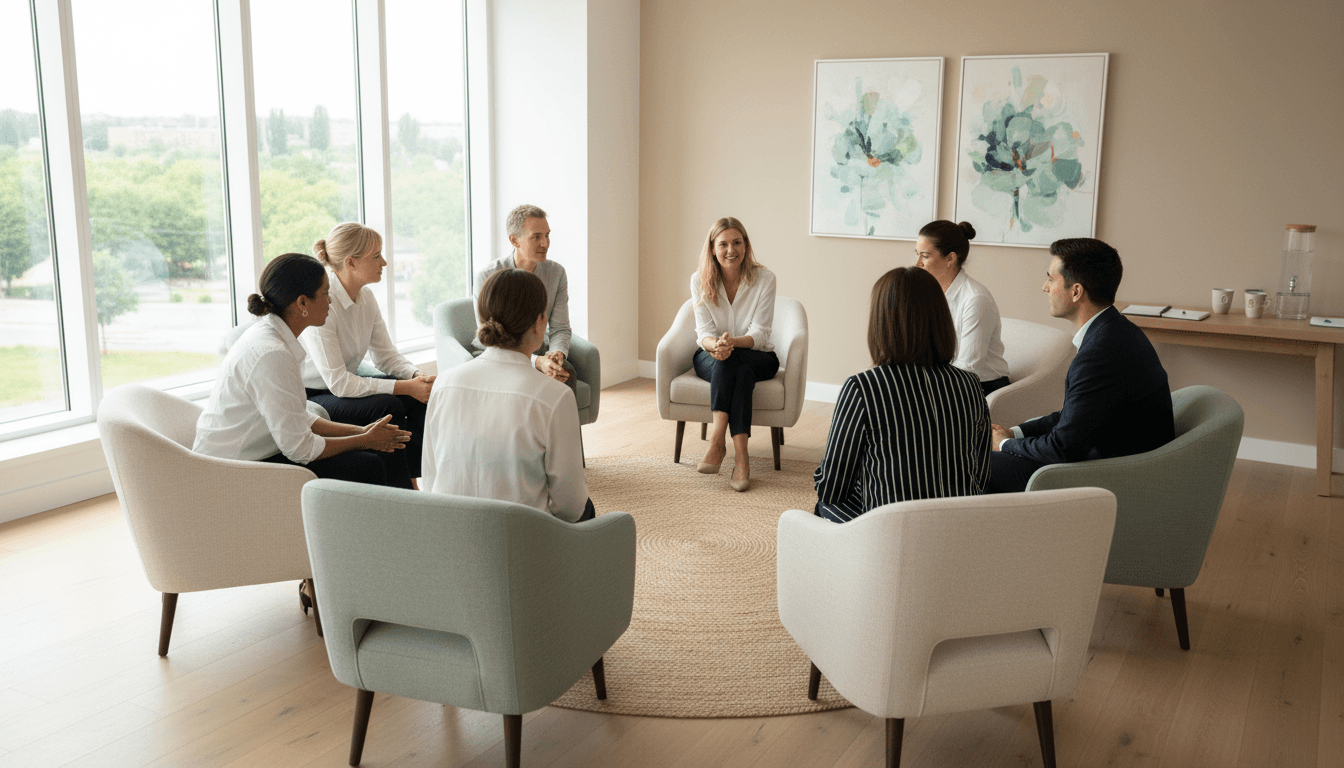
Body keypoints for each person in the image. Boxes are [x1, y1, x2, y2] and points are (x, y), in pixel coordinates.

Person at [194, 252, 414, 490]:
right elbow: (301, 449)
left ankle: (404, 511)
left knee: (379, 448)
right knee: (367, 465)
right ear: (302, 303)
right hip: (230, 469)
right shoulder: (272, 354)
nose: (330, 302)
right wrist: (364, 440)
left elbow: (297, 417)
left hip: (247, 453)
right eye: (325, 294)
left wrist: (363, 432)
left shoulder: (274, 337)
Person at [988, 238, 1175, 493]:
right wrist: (1016, 432)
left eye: (1051, 279)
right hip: (1109, 457)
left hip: (1109, 474)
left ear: (1076, 292)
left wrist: (1005, 444)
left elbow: (1063, 448)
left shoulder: (1099, 352)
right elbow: (1073, 418)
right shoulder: (1117, 331)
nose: (1045, 287)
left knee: (974, 464)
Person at [813, 267, 990, 522]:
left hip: (892, 536)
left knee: (825, 506)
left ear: (881, 322)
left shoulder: (863, 388)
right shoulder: (970, 385)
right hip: (958, 532)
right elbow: (981, 477)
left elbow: (832, 487)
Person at [422, 268, 595, 522]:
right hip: (518, 542)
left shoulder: (444, 383)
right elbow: (570, 506)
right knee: (586, 509)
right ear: (539, 323)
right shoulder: (554, 397)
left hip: (452, 533)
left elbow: (430, 479)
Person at [300, 222, 434, 485]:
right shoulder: (323, 304)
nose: (383, 262)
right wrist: (405, 387)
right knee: (391, 405)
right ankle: (397, 491)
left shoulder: (366, 297)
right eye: (376, 256)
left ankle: (411, 480)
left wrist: (417, 377)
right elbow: (338, 383)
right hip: (315, 392)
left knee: (420, 398)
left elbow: (385, 356)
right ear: (350, 263)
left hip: (342, 385)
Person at [690, 217, 778, 492]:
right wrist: (715, 345)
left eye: (737, 242)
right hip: (713, 354)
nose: (731, 250)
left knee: (734, 359)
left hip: (758, 355)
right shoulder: (699, 280)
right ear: (712, 249)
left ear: (746, 244)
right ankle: (742, 458)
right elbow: (702, 332)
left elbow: (761, 333)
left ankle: (717, 440)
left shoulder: (765, 278)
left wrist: (730, 343)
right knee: (736, 368)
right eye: (723, 244)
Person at [473, 204, 576, 390]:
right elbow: (487, 336)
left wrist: (556, 353)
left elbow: (560, 327)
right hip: (501, 355)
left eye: (547, 235)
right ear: (514, 240)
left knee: (565, 373)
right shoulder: (488, 276)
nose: (545, 243)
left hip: (539, 350)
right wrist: (537, 362)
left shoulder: (557, 273)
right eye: (536, 237)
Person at [914, 220, 1011, 395]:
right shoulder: (927, 293)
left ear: (950, 258)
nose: (917, 263)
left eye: (925, 256)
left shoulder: (976, 299)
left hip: (980, 387)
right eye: (917, 254)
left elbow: (968, 369)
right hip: (944, 380)